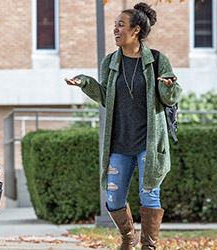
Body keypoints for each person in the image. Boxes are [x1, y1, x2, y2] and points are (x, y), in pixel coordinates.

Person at [64, 3, 180, 250]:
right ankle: (128, 237)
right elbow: (107, 96)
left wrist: (169, 86)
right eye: (114, 25)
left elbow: (170, 97)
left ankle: (148, 246)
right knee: (114, 198)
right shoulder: (110, 62)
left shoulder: (158, 60)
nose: (115, 30)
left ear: (136, 30)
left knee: (150, 193)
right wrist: (85, 82)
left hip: (149, 141)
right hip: (119, 142)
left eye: (121, 25)